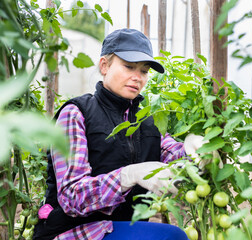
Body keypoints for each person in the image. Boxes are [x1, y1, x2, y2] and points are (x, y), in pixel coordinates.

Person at [33, 28, 205, 240]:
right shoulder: (76, 114)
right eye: (129, 66)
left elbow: (172, 153)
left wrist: (195, 149)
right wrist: (128, 175)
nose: (137, 77)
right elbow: (71, 197)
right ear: (104, 66)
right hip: (75, 232)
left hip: (123, 229)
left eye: (143, 71)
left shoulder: (146, 120)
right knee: (172, 237)